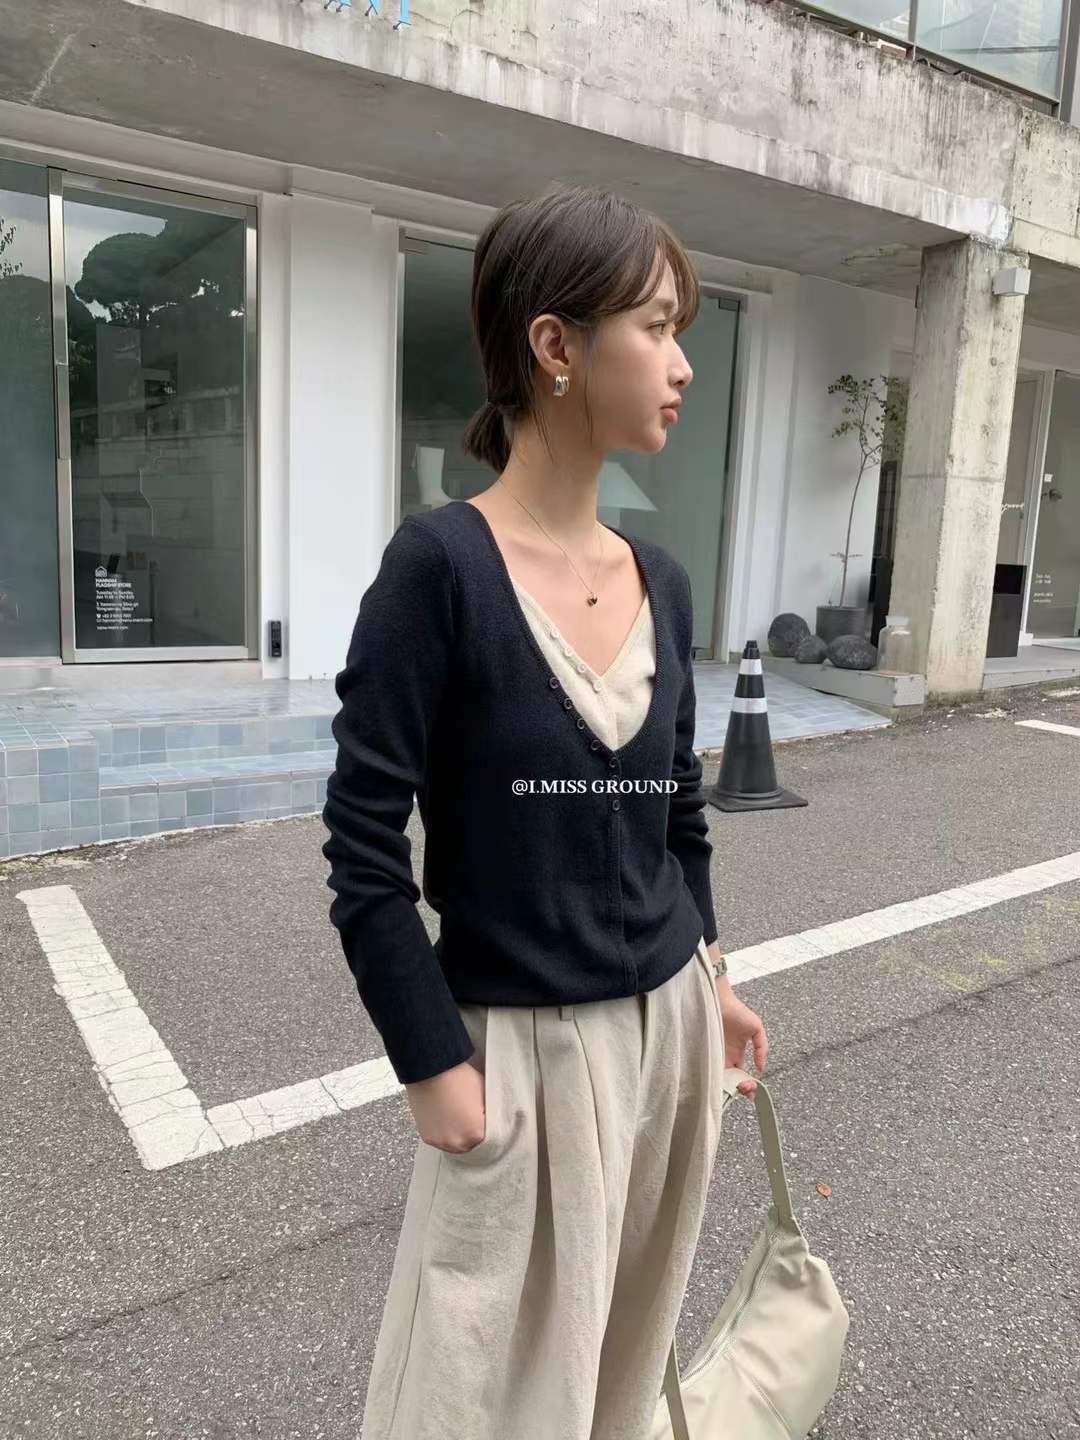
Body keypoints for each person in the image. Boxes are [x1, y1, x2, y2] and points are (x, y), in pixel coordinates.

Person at [321, 180, 768, 1440]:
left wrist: (714, 977)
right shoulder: (439, 570)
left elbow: (677, 819)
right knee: (470, 1394)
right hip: (517, 1054)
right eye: (658, 328)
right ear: (556, 345)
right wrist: (433, 1065)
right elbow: (363, 845)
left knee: (615, 1377)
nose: (683, 365)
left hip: (670, 1039)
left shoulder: (662, 580)